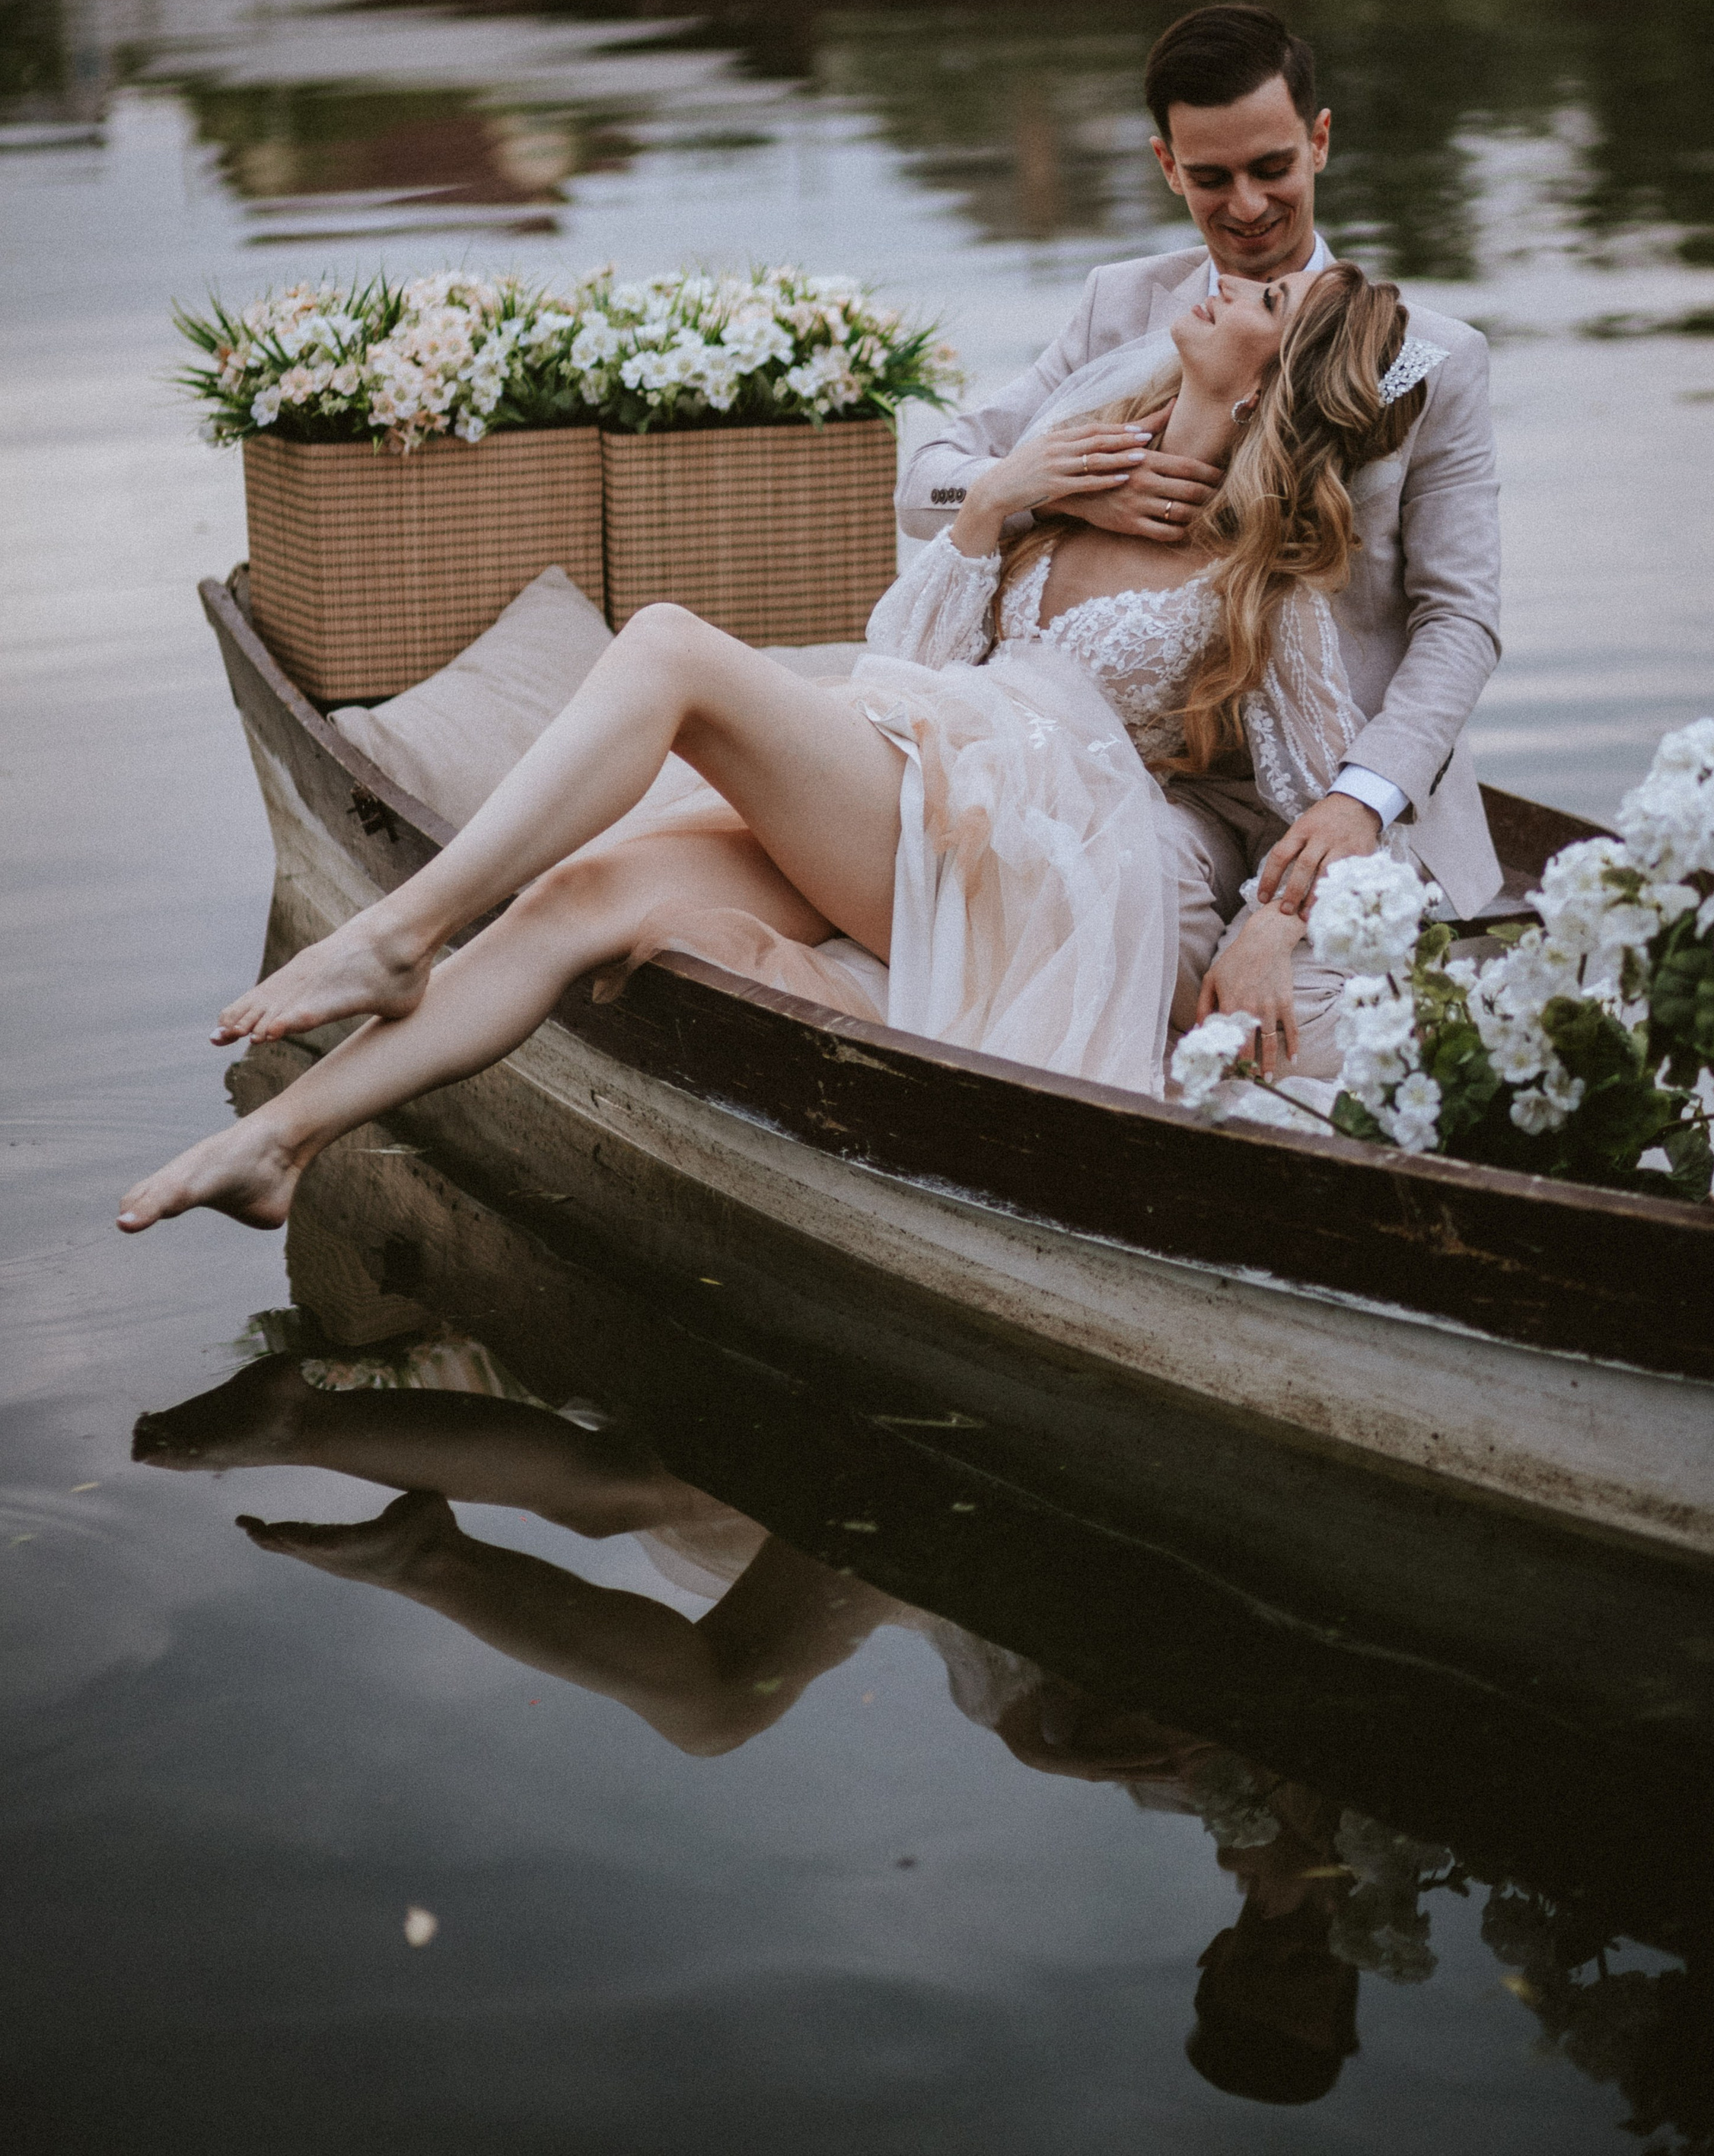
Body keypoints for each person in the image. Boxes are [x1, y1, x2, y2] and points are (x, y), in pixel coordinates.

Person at [116, 257, 1442, 1237]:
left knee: (674, 649)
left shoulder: (1260, 580)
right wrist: (996, 501)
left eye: (1264, 298)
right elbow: (910, 660)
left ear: (1279, 372)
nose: (1223, 280)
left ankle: (399, 934)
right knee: (583, 896)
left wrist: (1272, 926)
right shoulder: (1087, 466)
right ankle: (284, 1141)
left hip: (1022, 845)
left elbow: (1330, 804)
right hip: (931, 766)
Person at [131, 1346, 1361, 2106]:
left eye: (1267, 1968)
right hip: (999, 1511)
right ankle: (328, 1453)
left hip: (969, 1565)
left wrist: (1057, 1738)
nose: (1291, 1949)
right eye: (1313, 1975)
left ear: (1219, 1961)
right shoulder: (1400, 1826)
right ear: (1349, 1987)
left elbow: (1026, 1706)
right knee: (650, 1505)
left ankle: (395, 1525)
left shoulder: (1201, 1810)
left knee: (706, 1665)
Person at [898, 2, 1505, 998]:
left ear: (1319, 140)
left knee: (1292, 1008)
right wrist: (1055, 486)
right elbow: (927, 479)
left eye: (1273, 167)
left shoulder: (1433, 358)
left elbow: (1462, 620)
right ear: (1167, 165)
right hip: (1146, 784)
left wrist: (1363, 800)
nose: (1251, 207)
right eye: (1212, 177)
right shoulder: (1119, 309)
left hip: (1336, 789)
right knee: (1105, 917)